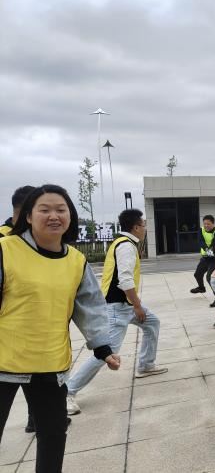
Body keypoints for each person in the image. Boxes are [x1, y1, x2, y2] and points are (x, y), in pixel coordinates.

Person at [0, 184, 120, 472]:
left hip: (50, 363)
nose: (53, 216)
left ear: (70, 216)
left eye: (60, 210)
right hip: (4, 362)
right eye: (44, 210)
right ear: (28, 216)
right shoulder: (5, 250)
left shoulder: (76, 260)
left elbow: (89, 306)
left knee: (53, 435)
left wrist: (102, 347)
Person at [66, 208, 167, 415]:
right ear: (136, 227)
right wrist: (137, 305)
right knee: (107, 352)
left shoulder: (123, 242)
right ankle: (68, 391)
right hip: (117, 307)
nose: (145, 229)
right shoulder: (126, 246)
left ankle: (146, 364)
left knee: (152, 323)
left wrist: (135, 305)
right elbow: (125, 279)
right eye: (144, 225)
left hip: (125, 304)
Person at [0, 185, 37, 433]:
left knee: (36, 380)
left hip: (32, 339)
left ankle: (36, 419)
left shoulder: (31, 241)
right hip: (6, 344)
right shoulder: (5, 243)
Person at [190, 214, 215, 294]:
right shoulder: (201, 230)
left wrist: (211, 251)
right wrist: (207, 250)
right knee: (197, 274)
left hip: (214, 259)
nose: (206, 225)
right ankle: (201, 288)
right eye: (205, 224)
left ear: (213, 224)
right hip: (205, 257)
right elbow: (201, 241)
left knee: (209, 278)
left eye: (208, 224)